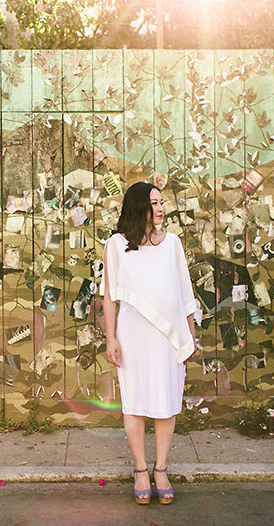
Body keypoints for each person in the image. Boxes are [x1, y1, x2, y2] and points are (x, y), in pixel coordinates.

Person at [101, 182, 198, 505]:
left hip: (168, 336)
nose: (160, 208)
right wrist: (111, 338)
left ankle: (161, 469)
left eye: (161, 202)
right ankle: (141, 470)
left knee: (166, 403)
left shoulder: (172, 243)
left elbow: (185, 294)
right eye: (153, 202)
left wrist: (190, 336)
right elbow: (110, 297)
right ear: (139, 205)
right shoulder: (116, 245)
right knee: (136, 402)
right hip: (133, 335)